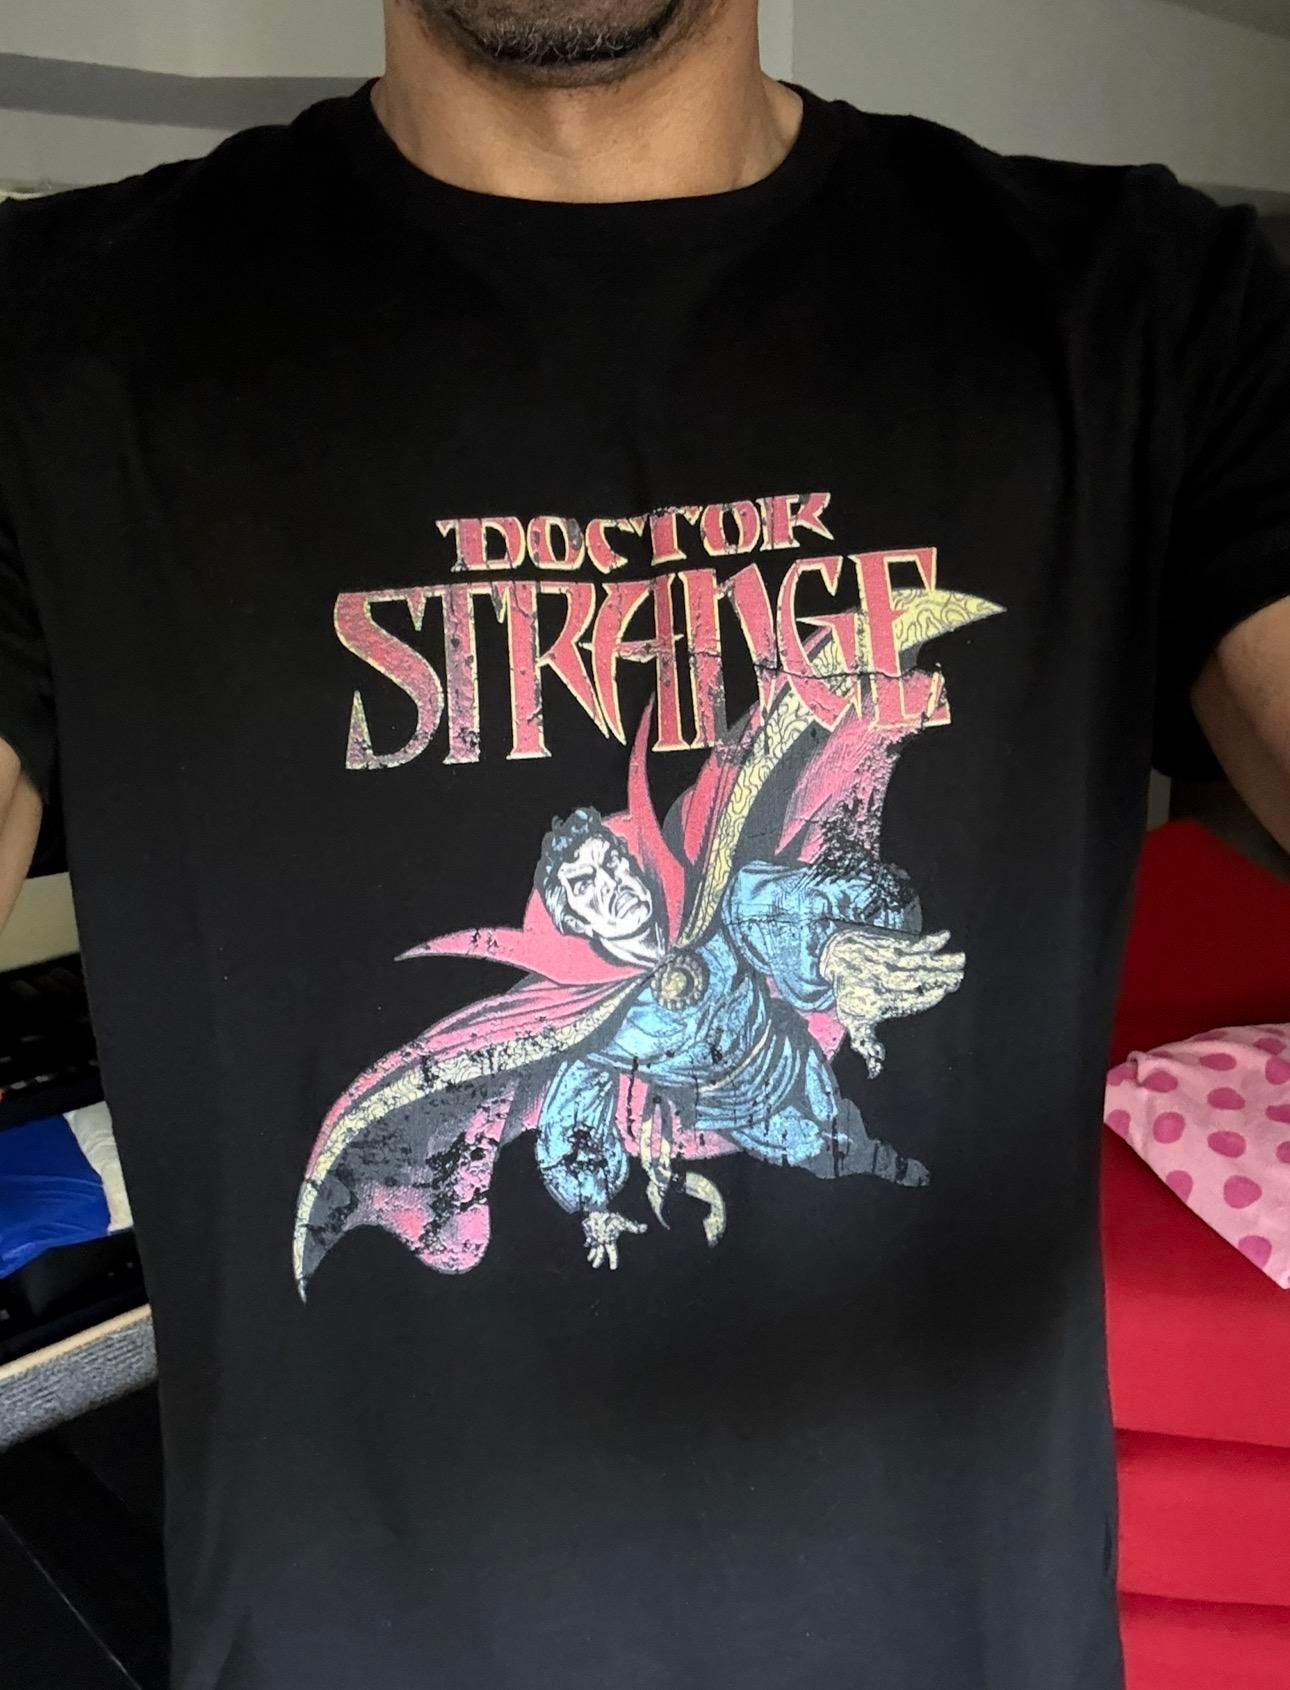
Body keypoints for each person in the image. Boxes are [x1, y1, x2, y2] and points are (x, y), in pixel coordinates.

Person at [0, 2, 1287, 1687]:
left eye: (614, 868)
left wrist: (842, 968)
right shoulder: (52, 343)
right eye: (589, 889)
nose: (613, 888)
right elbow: (575, 1098)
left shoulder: (1144, 306)